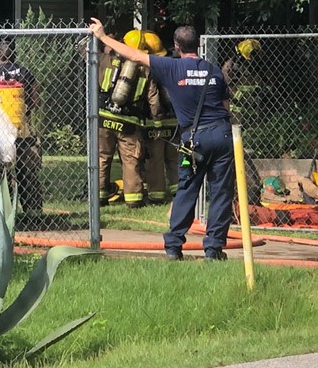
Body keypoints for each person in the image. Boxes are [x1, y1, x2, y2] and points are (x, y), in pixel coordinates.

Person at [89, 18, 234, 261]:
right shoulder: (214, 71)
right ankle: (213, 249)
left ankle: (174, 247)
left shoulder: (171, 68)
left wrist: (103, 37)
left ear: (177, 46)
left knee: (187, 188)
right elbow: (225, 106)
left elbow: (134, 55)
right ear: (197, 46)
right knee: (221, 192)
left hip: (193, 141)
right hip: (222, 136)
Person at [0, 41, 43, 215]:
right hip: (21, 127)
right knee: (28, 168)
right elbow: (36, 99)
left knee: (0, 168)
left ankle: (1, 208)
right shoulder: (25, 72)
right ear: (14, 55)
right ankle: (33, 209)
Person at [96, 34, 154, 208]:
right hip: (129, 121)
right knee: (130, 160)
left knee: (102, 157)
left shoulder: (106, 60)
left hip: (104, 117)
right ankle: (134, 199)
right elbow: (152, 97)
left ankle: (99, 195)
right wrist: (156, 119)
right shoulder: (145, 69)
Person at [140, 33, 177, 205]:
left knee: (155, 159)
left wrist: (156, 122)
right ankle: (178, 191)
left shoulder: (149, 70)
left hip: (157, 122)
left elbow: (152, 97)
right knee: (174, 158)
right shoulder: (173, 66)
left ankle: (156, 195)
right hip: (175, 120)